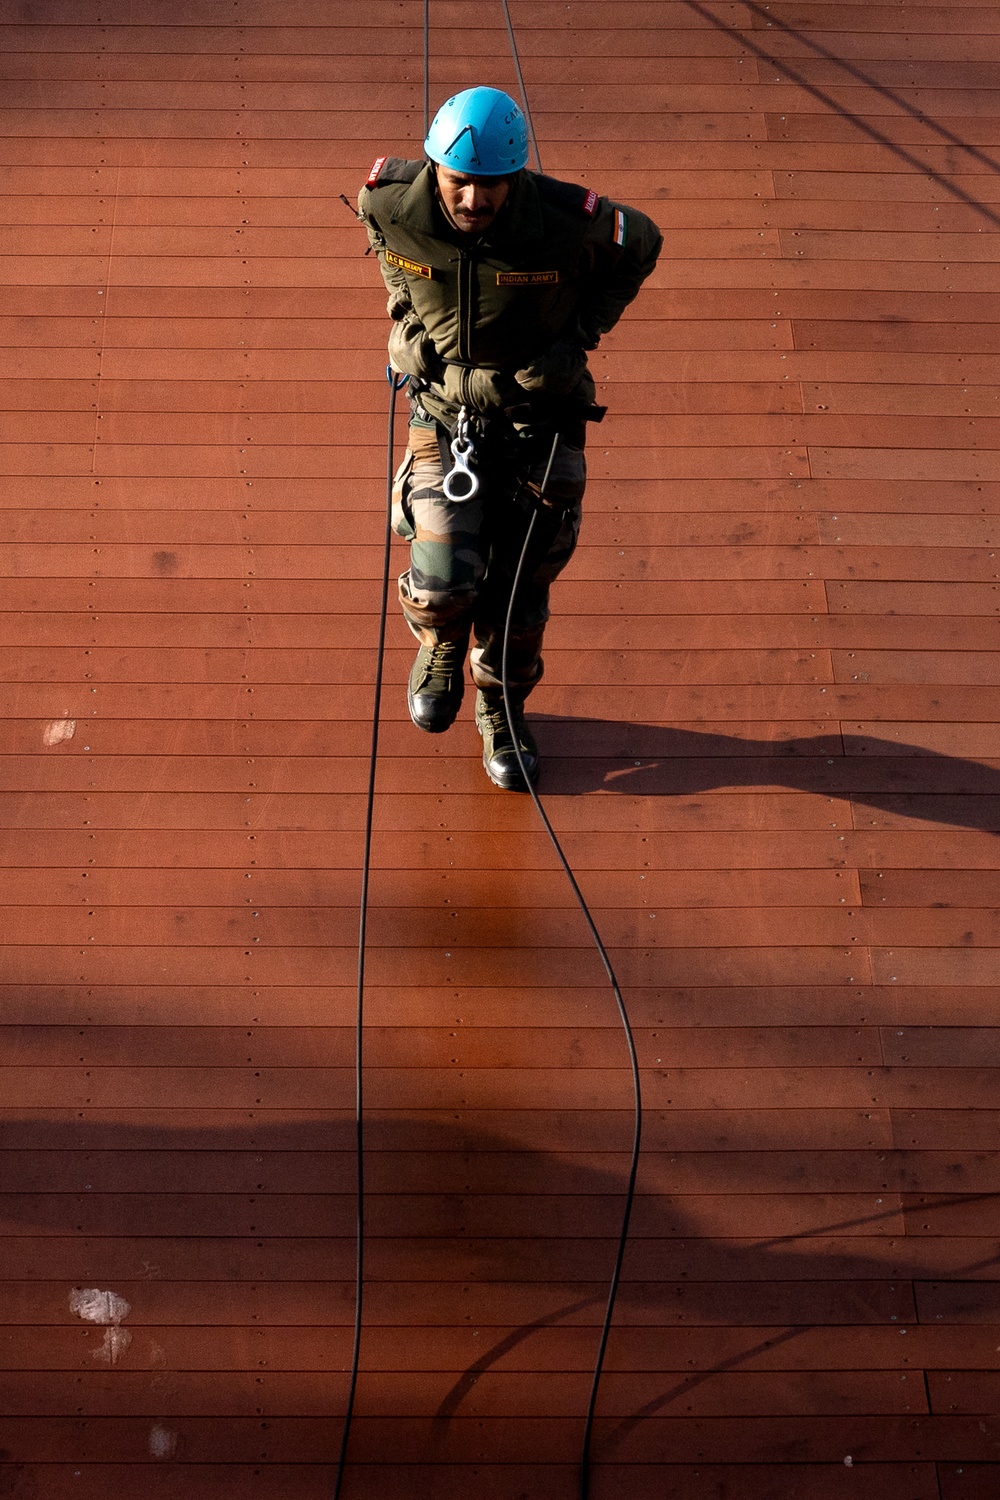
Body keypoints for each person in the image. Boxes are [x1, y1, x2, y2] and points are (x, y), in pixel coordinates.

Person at [358, 86, 662, 790]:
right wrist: (405, 318)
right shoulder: (389, 203)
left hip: (539, 424)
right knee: (440, 584)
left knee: (519, 595)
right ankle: (439, 649)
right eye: (458, 182)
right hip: (443, 417)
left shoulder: (564, 222)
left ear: (514, 176)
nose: (472, 200)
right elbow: (383, 247)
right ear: (435, 167)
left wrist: (579, 336)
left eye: (489, 186)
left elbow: (641, 245)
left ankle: (501, 705)